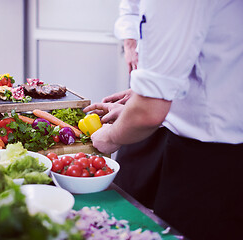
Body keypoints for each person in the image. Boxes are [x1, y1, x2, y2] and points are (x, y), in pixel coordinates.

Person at [87, 0, 243, 239]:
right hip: (186, 134)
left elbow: (148, 113)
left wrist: (110, 135)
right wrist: (144, 95)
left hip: (212, 162)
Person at [87, 0, 167, 209]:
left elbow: (154, 108)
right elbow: (130, 9)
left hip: (202, 141)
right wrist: (130, 43)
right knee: (127, 193)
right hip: (153, 99)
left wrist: (113, 135)